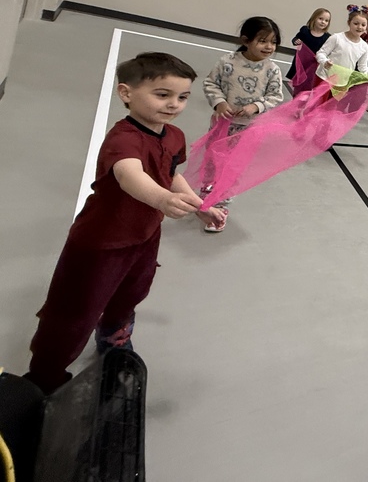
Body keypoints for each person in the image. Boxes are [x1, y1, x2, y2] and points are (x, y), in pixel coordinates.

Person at [24, 53, 226, 395]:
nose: (174, 104)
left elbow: (170, 174)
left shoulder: (174, 135)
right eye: (162, 95)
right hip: (102, 241)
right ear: (126, 93)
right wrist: (162, 200)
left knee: (132, 291)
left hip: (144, 236)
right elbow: (130, 175)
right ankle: (45, 375)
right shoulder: (124, 139)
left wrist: (199, 205)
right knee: (75, 310)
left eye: (182, 97)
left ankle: (113, 333)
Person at [201, 16, 285, 232]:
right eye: (263, 41)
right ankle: (206, 196)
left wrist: (255, 106)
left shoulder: (272, 70)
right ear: (246, 40)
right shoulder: (227, 62)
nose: (269, 47)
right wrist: (219, 103)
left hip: (249, 128)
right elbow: (211, 83)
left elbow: (276, 95)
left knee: (233, 165)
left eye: (273, 42)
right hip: (221, 124)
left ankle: (221, 206)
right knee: (212, 159)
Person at [316, 5, 368, 76]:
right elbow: (321, 53)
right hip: (324, 77)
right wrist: (325, 62)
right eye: (356, 24)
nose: (359, 27)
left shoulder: (364, 46)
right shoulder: (337, 38)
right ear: (349, 23)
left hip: (342, 81)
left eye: (363, 25)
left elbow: (363, 67)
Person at [286, 8, 331, 93]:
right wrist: (296, 41)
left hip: (314, 65)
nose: (323, 22)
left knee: (310, 85)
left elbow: (327, 51)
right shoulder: (305, 30)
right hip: (301, 63)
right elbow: (296, 38)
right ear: (314, 18)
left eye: (326, 20)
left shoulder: (327, 37)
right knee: (298, 82)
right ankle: (296, 99)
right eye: (320, 19)